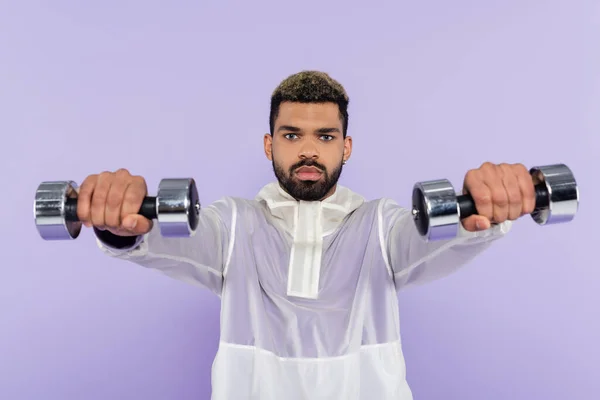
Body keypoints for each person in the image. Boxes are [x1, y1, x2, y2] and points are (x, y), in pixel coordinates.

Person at [76, 71, 536, 399]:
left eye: (327, 136)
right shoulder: (233, 224)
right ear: (269, 144)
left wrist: (488, 208)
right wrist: (122, 226)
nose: (310, 150)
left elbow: (427, 239)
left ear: (346, 146)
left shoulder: (380, 224)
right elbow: (171, 240)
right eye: (293, 135)